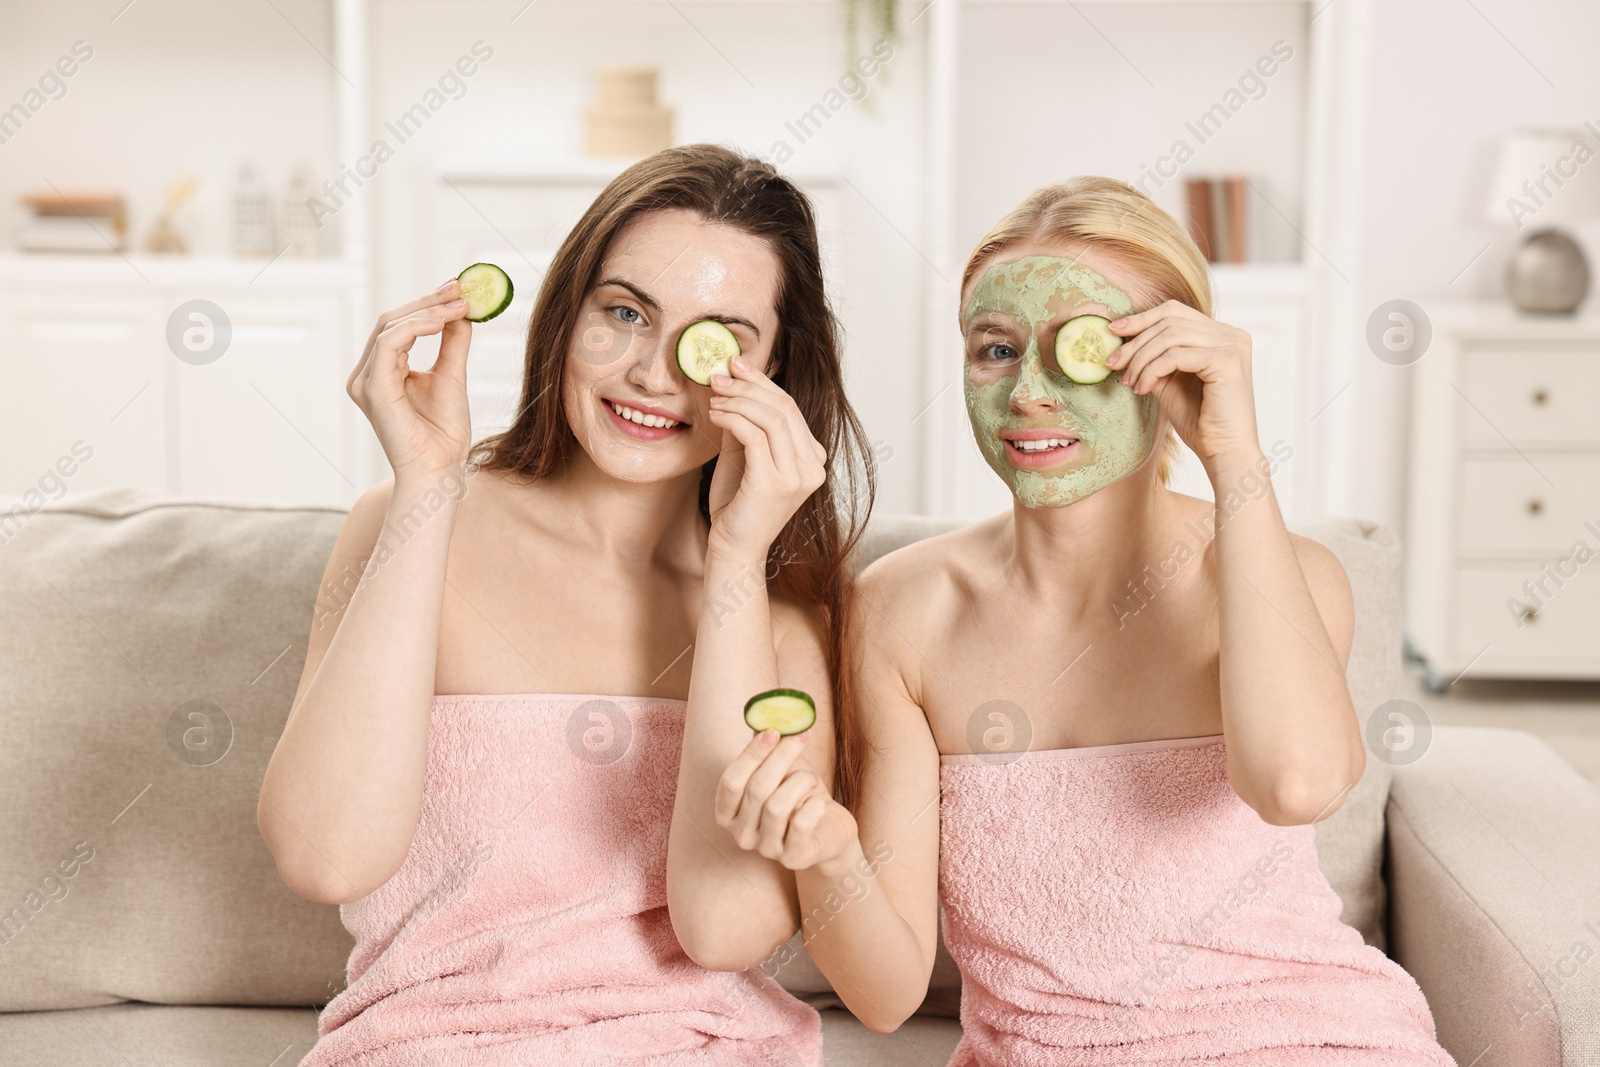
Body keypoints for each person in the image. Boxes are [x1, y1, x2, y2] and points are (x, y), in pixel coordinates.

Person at [713, 176, 1458, 1065]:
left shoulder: (1286, 572)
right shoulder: (906, 607)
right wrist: (830, 857)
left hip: (1305, 1039)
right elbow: (886, 992)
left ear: (1170, 366)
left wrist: (1233, 456)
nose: (1029, 391)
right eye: (995, 349)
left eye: (1084, 349)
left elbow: (1294, 783)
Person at [258, 143, 873, 1067]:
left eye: (716, 341)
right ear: (566, 315)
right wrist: (428, 482)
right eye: (625, 313)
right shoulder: (416, 521)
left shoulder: (785, 617)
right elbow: (325, 857)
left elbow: (726, 930)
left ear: (776, 370)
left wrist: (737, 563)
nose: (656, 375)